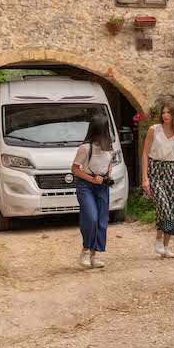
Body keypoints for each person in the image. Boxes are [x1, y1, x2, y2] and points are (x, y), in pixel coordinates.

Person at [140, 100, 174, 258]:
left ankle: (166, 247)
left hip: (170, 172)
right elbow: (145, 154)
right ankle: (159, 241)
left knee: (170, 209)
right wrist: (145, 178)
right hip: (155, 170)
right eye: (164, 112)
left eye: (169, 112)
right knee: (163, 206)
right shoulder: (154, 130)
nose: (165, 115)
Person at [71, 113, 114, 269]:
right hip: (86, 185)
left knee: (102, 220)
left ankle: (94, 255)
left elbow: (110, 163)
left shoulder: (109, 147)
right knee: (91, 217)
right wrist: (91, 179)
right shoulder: (85, 148)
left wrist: (108, 175)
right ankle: (85, 251)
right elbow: (74, 169)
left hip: (102, 185)